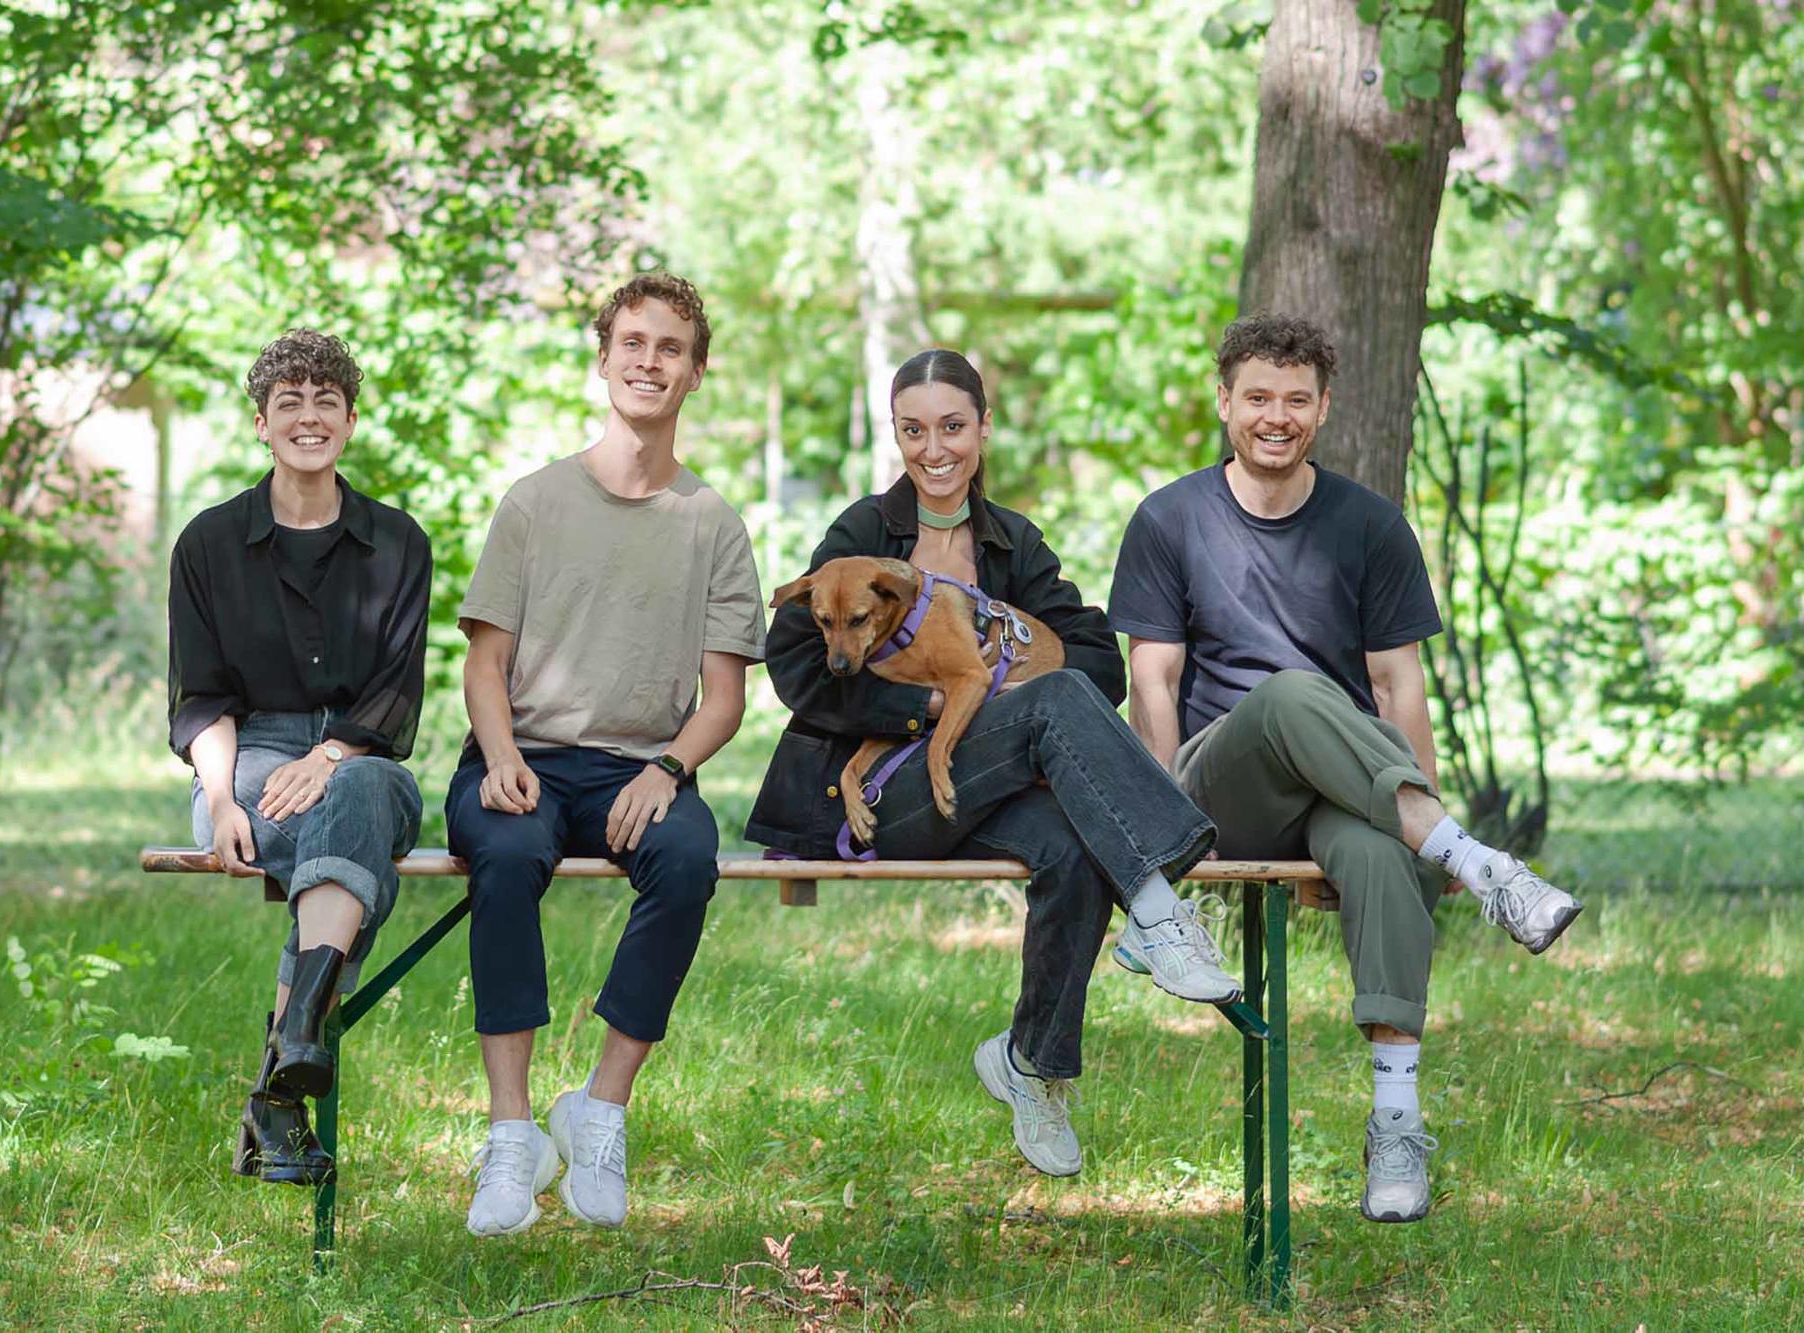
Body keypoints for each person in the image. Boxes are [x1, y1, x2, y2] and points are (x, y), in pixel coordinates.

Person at [1111, 312, 1585, 1224]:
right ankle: (1479, 862)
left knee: (1375, 854)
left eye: (1295, 399)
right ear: (1224, 403)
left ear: (1324, 408)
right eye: (1257, 398)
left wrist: (1419, 810)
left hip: (1344, 778)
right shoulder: (1170, 518)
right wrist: (1159, 850)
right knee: (1291, 694)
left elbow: (1396, 684)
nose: (1275, 416)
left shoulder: (1370, 524)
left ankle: (1397, 1123)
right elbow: (1155, 683)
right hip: (1221, 782)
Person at [746, 349, 1237, 1180]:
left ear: (983, 428)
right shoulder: (864, 535)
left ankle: (1032, 1065)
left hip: (987, 786)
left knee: (1074, 831)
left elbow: (1095, 657)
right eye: (913, 429)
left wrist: (1010, 669)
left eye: (952, 426)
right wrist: (928, 706)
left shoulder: (1011, 541)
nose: (933, 449)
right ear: (895, 433)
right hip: (885, 799)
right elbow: (798, 668)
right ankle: (1160, 906)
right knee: (1049, 705)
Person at [447, 273, 765, 1236]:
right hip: (524, 755)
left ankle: (601, 1105)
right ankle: (511, 1136)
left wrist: (667, 770)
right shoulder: (535, 501)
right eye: (633, 342)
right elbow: (484, 662)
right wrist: (500, 754)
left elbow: (724, 701)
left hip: (643, 765)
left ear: (695, 374)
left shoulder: (712, 524)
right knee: (504, 855)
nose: (649, 361)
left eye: (671, 348)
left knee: (688, 857)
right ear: (604, 358)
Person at [167, 330, 431, 1187]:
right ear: (262, 423)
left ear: (350, 420)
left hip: (359, 750)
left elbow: (395, 693)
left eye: (326, 402)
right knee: (341, 830)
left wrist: (331, 751)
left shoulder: (397, 543)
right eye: (290, 402)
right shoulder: (207, 545)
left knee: (358, 792)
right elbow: (201, 699)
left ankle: (285, 1064)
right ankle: (288, 1072)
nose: (308, 417)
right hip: (244, 760)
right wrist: (224, 800)